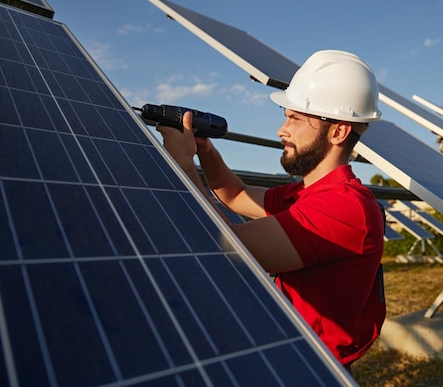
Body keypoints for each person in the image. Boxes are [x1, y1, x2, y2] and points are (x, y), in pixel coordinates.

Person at [157, 50, 386, 370]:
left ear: (338, 131)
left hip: (310, 368)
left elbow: (227, 247)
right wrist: (205, 152)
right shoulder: (310, 194)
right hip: (291, 351)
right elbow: (236, 195)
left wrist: (182, 163)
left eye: (295, 119)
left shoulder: (344, 208)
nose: (282, 130)